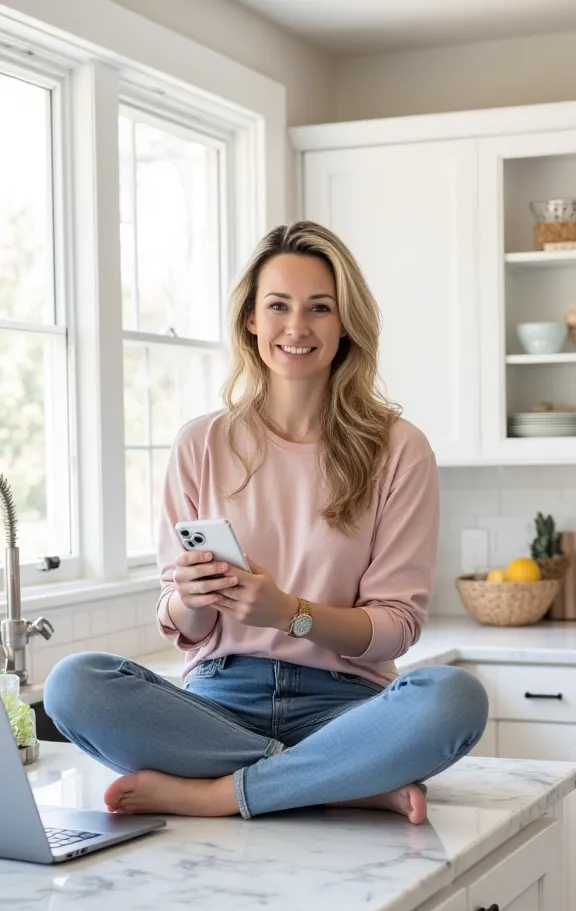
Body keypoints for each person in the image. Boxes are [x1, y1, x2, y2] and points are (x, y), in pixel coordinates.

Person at [44, 221, 488, 824]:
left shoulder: (399, 449)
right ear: (251, 320)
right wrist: (195, 600)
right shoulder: (201, 443)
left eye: (320, 308)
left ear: (345, 325)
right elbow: (180, 621)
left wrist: (288, 613)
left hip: (347, 707)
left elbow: (397, 628)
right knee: (72, 683)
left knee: (453, 700)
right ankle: (337, 779)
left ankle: (219, 793)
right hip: (219, 704)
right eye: (277, 306)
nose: (296, 327)